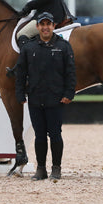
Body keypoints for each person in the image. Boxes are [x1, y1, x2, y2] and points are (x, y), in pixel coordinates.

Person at [15, 12, 76, 180]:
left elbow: (70, 72)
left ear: (54, 26)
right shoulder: (28, 47)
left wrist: (69, 93)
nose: (45, 27)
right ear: (37, 27)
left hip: (56, 99)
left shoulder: (64, 46)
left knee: (55, 134)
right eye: (42, 24)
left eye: (48, 24)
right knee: (39, 135)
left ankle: (56, 168)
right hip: (35, 99)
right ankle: (41, 169)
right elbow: (21, 73)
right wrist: (20, 94)